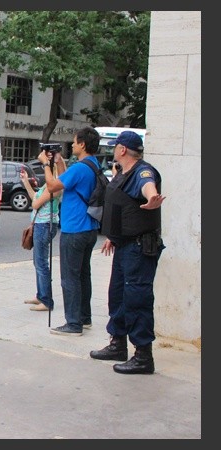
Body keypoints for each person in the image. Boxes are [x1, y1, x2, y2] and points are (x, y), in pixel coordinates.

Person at [89, 130, 166, 374]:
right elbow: (123, 206)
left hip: (139, 248)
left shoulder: (142, 171)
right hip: (124, 246)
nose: (113, 150)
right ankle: (118, 343)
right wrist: (113, 236)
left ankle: (143, 356)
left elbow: (148, 186)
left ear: (122, 149)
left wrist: (153, 196)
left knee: (137, 299)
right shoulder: (123, 174)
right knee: (118, 296)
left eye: (115, 147)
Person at [38, 126, 101, 336]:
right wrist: (60, 163)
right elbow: (68, 184)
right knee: (83, 274)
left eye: (74, 142)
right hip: (90, 227)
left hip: (75, 228)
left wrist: (46, 164)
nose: (72, 145)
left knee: (70, 277)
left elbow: (53, 186)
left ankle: (73, 323)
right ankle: (84, 317)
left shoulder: (80, 167)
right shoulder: (92, 165)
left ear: (82, 144)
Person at [20, 168, 60, 312]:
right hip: (40, 224)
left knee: (41, 262)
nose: (45, 171)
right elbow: (34, 197)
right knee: (38, 262)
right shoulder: (45, 187)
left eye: (47, 168)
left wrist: (36, 200)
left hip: (45, 225)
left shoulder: (55, 187)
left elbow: (35, 204)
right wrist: (25, 181)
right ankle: (41, 295)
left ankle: (47, 301)